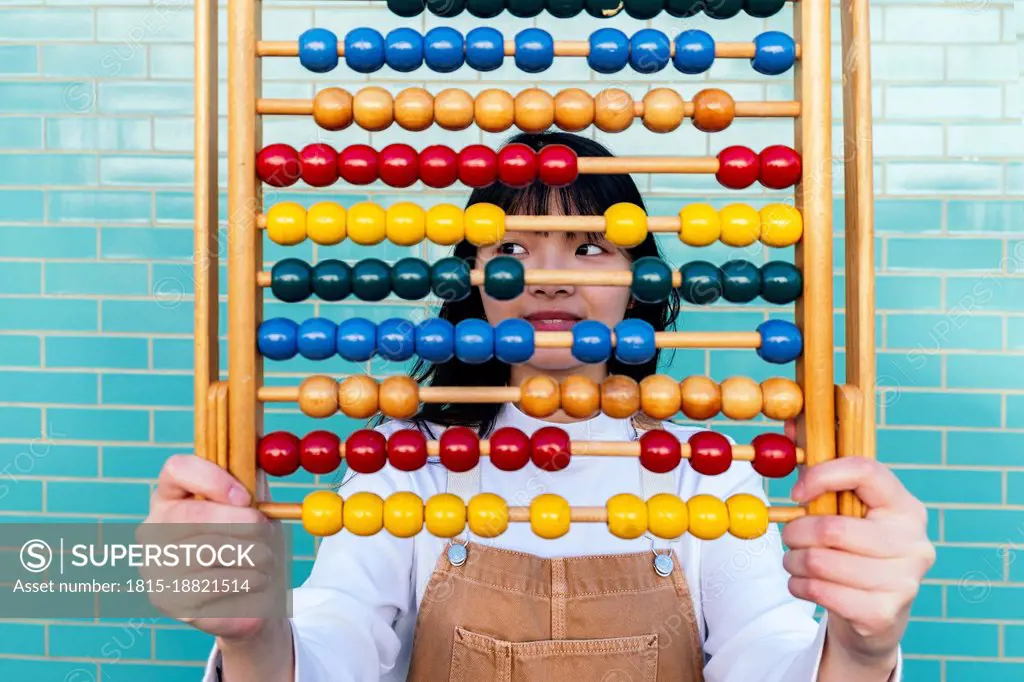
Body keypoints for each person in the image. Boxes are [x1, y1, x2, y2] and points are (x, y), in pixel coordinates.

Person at [146, 132, 935, 682]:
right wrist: (253, 634)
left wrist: (860, 655)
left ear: (643, 281)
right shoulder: (408, 465)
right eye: (511, 251)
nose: (549, 278)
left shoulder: (708, 472)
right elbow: (337, 638)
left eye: (590, 246)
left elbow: (765, 650)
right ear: (466, 284)